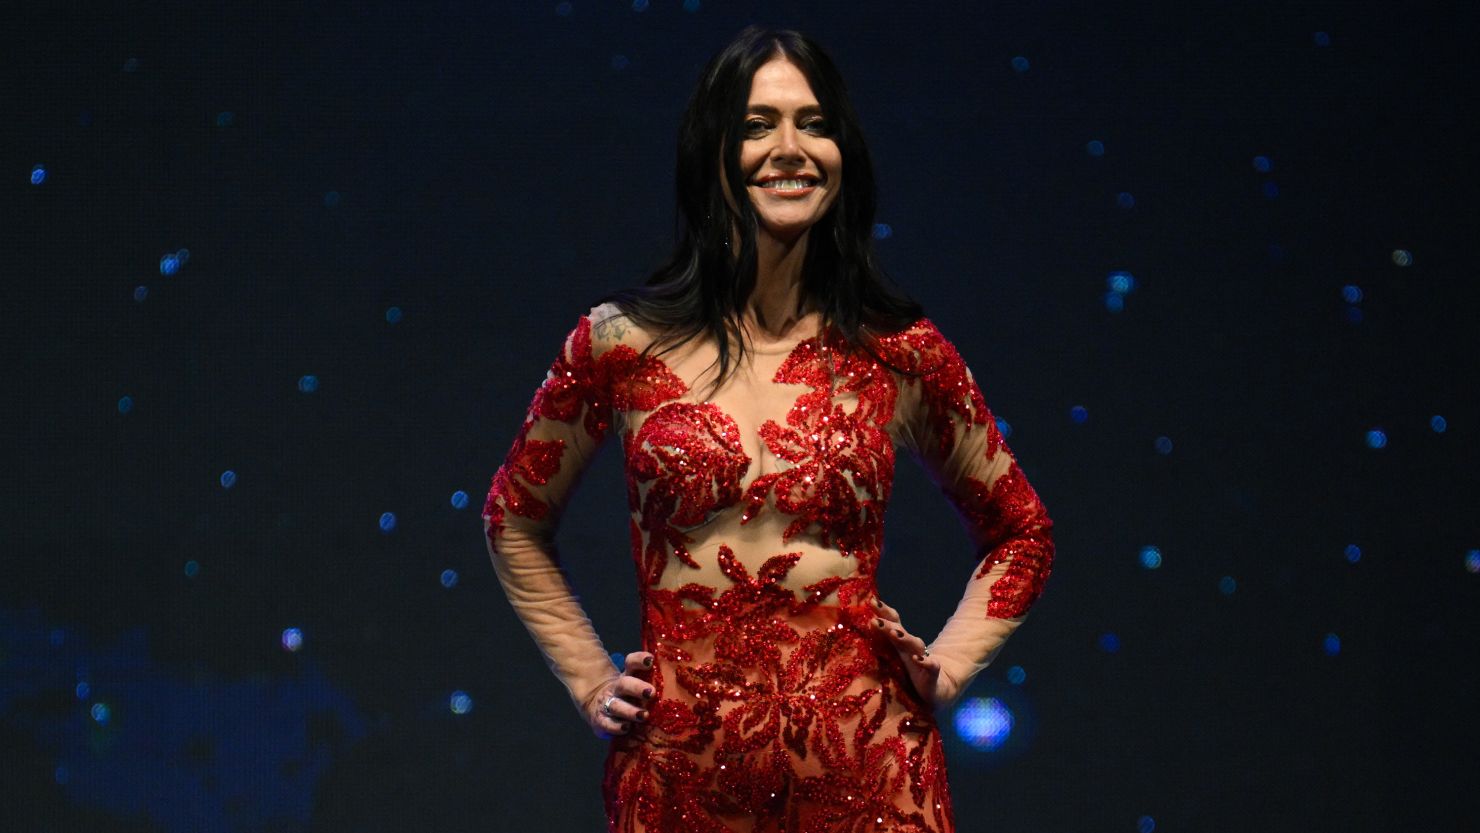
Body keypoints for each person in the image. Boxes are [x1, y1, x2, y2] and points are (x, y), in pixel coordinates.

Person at [483, 25, 1054, 832]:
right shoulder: (619, 343)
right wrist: (588, 677)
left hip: (870, 777)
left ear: (842, 153)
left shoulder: (899, 352)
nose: (790, 148)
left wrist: (950, 667)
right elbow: (513, 517)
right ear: (711, 154)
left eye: (813, 123)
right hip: (679, 783)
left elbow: (1022, 531)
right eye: (757, 126)